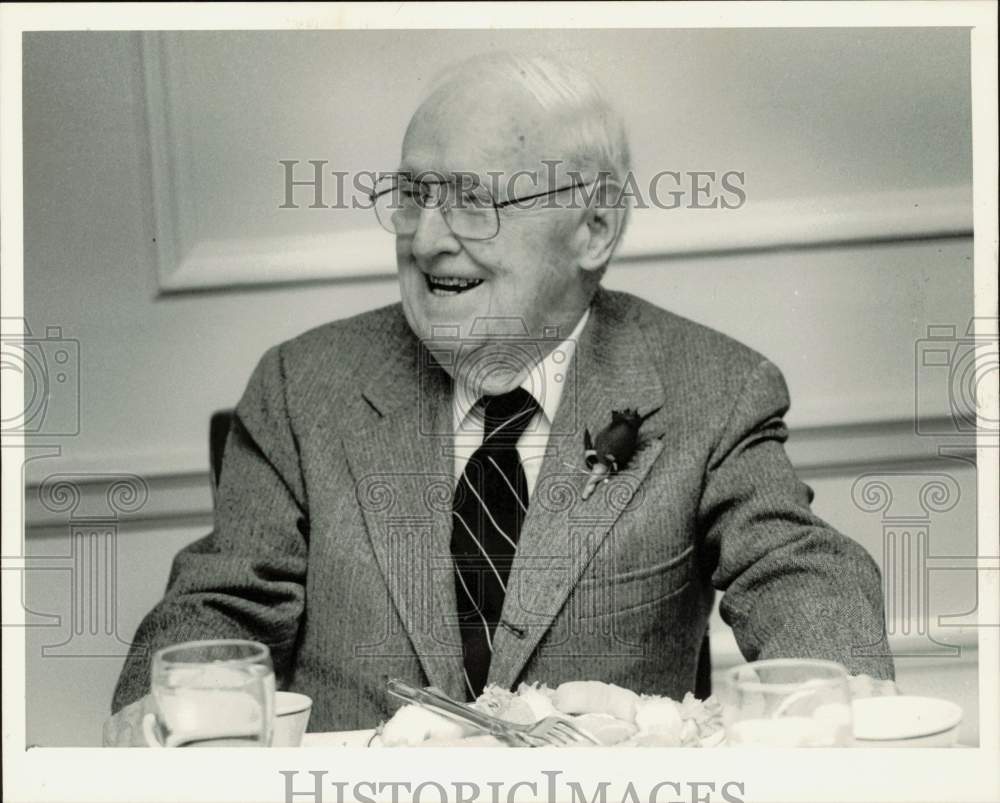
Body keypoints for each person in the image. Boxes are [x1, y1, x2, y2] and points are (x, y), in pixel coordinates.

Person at [106, 52, 894, 743]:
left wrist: (837, 709)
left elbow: (799, 569)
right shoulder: (301, 385)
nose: (424, 239)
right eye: (413, 195)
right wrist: (163, 718)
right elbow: (217, 607)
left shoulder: (713, 390)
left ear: (594, 226)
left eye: (473, 200)